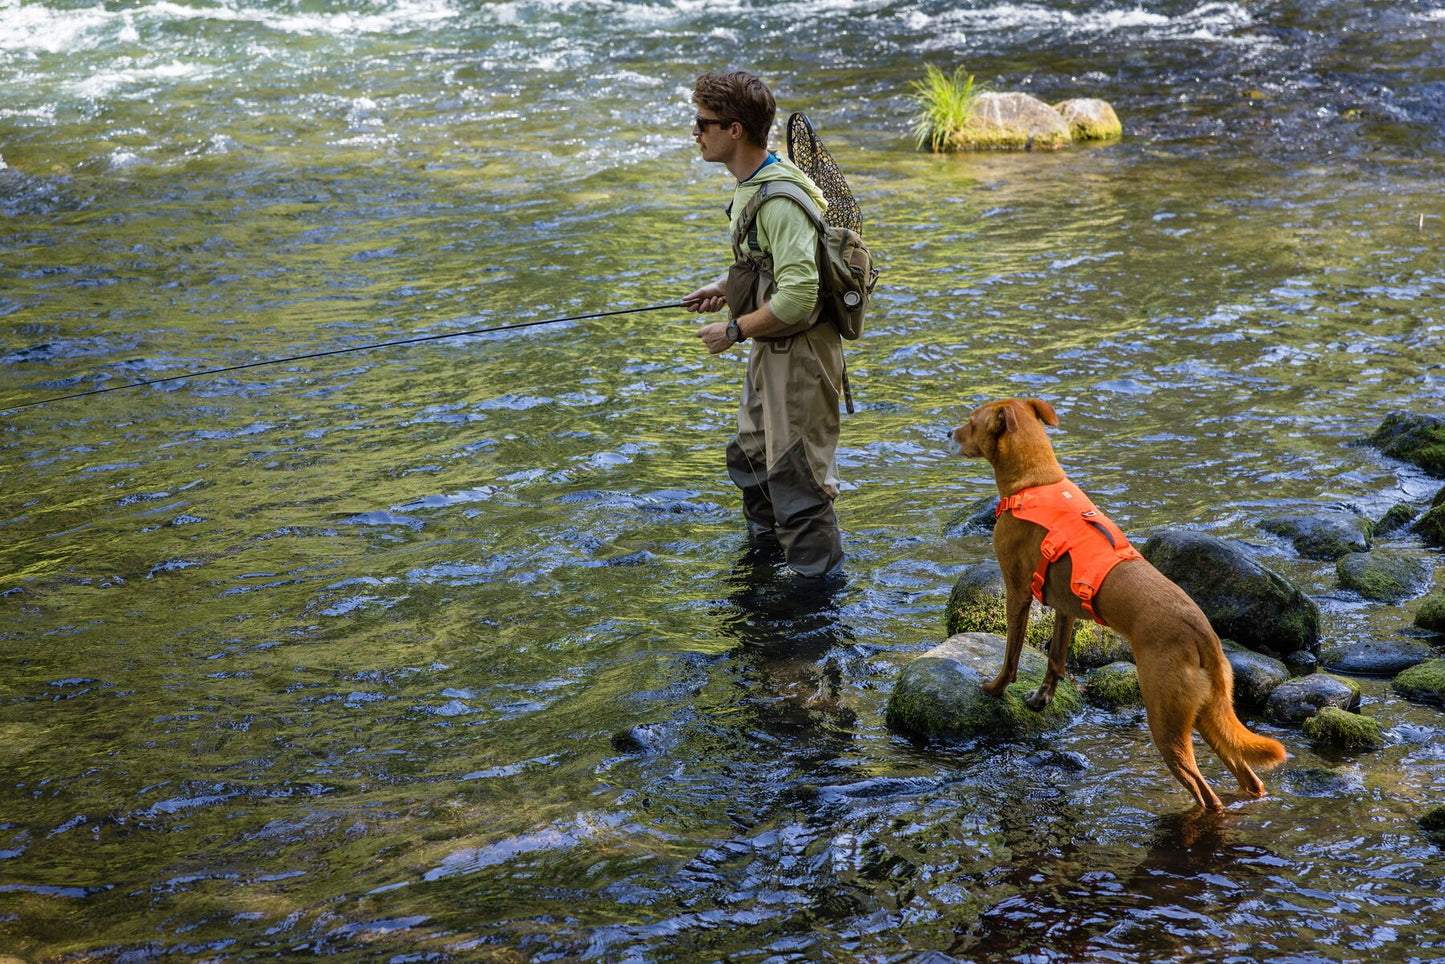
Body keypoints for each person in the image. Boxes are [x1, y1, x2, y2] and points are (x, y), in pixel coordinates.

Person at [683, 70, 847, 581]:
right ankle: (767, 566)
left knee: (798, 481)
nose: (695, 133)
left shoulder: (778, 200)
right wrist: (724, 288)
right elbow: (773, 264)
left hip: (798, 355)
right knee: (750, 459)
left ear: (734, 131)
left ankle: (813, 610)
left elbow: (799, 297)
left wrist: (734, 331)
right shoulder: (756, 182)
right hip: (771, 347)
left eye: (703, 123)